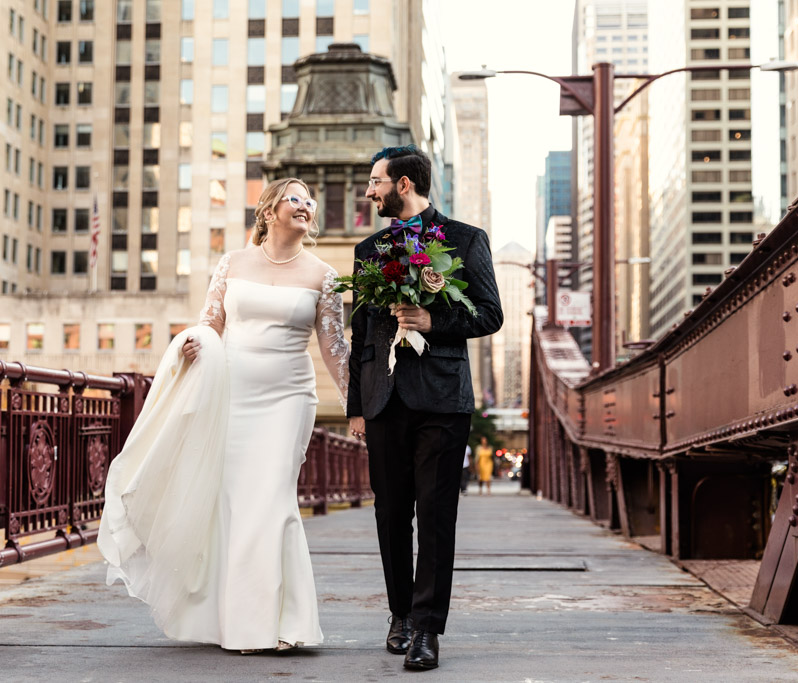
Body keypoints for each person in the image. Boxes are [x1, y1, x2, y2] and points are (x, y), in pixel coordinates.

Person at [99, 178, 349, 654]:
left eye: (310, 201)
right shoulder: (232, 263)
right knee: (234, 503)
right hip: (232, 393)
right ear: (270, 208)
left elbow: (335, 349)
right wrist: (194, 344)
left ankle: (282, 622)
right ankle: (236, 622)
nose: (306, 205)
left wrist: (357, 406)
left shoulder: (324, 275)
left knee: (272, 500)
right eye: (295, 197)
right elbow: (211, 322)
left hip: (289, 397)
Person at [347, 145, 503, 671]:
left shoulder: (465, 240)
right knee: (391, 513)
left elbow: (489, 314)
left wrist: (434, 322)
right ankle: (399, 613)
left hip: (442, 397)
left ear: (404, 184)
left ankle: (427, 629)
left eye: (376, 181)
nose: (370, 191)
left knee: (436, 515)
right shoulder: (368, 249)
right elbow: (362, 332)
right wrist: (355, 405)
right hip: (383, 398)